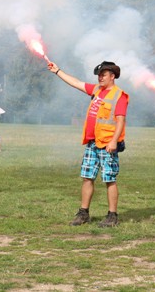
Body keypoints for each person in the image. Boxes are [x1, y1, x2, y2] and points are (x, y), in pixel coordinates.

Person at [47, 60, 129, 227]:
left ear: (112, 76)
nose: (100, 78)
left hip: (107, 144)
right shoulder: (97, 90)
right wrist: (57, 71)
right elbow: (76, 83)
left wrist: (113, 141)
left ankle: (112, 216)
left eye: (103, 75)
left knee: (109, 179)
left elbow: (120, 121)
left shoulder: (119, 96)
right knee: (87, 177)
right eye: (99, 75)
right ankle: (83, 213)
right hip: (92, 142)